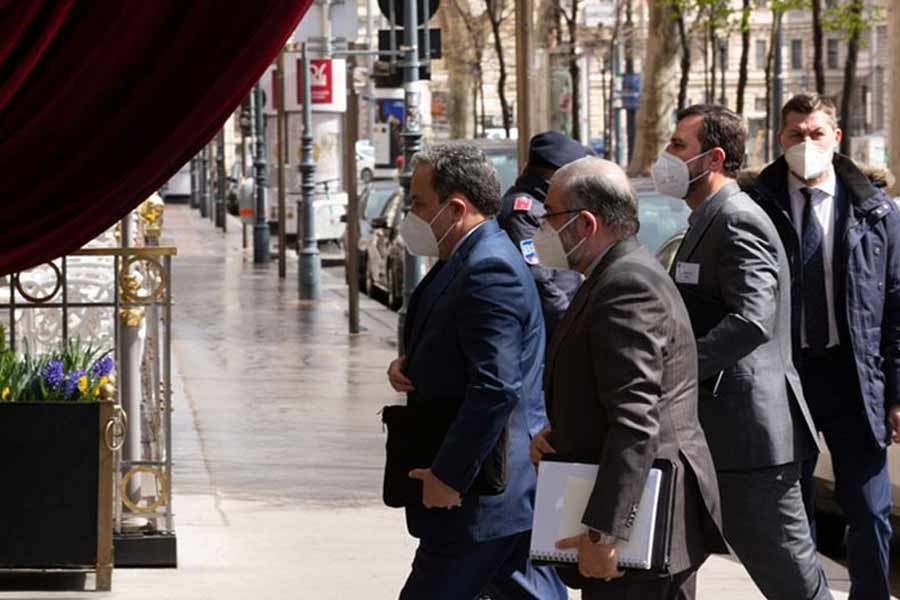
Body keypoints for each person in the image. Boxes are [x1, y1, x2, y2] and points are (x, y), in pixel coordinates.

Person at [530, 156, 726, 599]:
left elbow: (636, 421)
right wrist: (558, 432)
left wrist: (604, 533)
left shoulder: (627, 286)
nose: (542, 227)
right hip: (626, 512)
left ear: (584, 223)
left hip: (641, 529)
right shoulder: (609, 275)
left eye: (550, 216)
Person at [656, 104, 831, 600]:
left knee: (791, 581)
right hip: (713, 433)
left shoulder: (735, 219)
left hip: (750, 442)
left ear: (711, 159)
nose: (666, 155)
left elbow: (752, 318)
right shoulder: (704, 219)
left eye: (677, 146)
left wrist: (680, 370)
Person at [385, 143, 567, 600]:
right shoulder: (463, 257)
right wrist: (411, 365)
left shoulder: (489, 267)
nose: (412, 214)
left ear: (456, 207)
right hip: (500, 497)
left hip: (482, 493)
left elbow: (495, 387)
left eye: (418, 203)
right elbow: (456, 340)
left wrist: (449, 476)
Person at [750, 92, 900, 600]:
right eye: (796, 134)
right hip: (784, 377)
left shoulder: (875, 211)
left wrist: (896, 393)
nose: (806, 143)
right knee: (791, 511)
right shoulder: (757, 205)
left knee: (870, 509)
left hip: (854, 376)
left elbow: (896, 308)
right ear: (780, 140)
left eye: (816, 133)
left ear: (837, 138)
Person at [498, 131, 586, 337]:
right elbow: (539, 279)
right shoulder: (522, 211)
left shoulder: (548, 205)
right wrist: (569, 325)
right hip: (550, 328)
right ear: (554, 174)